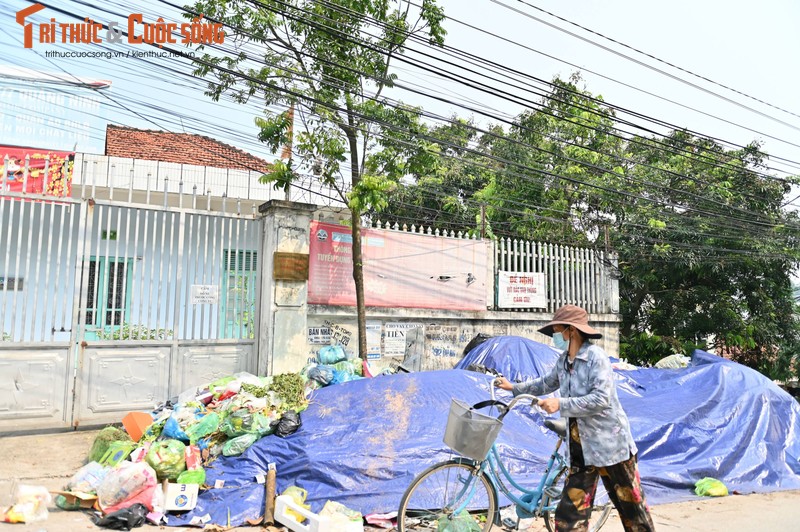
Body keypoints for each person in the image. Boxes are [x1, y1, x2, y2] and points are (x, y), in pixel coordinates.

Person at [495, 304, 655, 532]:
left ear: (572, 330)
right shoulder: (563, 361)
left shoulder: (596, 359)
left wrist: (560, 403)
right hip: (580, 449)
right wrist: (513, 388)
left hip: (611, 447)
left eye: (559, 330)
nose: (556, 335)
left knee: (632, 510)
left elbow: (601, 399)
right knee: (569, 516)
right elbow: (545, 383)